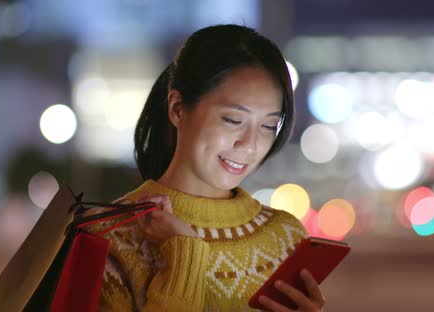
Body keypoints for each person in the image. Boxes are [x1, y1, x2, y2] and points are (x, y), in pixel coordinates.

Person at [86, 24, 326, 311]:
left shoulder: (287, 237)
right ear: (178, 109)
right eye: (234, 120)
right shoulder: (109, 237)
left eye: (268, 126)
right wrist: (183, 255)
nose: (250, 145)